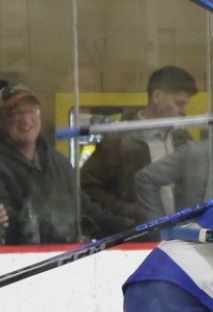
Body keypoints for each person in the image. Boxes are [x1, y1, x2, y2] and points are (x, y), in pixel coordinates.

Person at [82, 65, 197, 227]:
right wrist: (128, 213)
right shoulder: (119, 141)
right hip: (139, 236)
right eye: (179, 103)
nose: (184, 111)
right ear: (157, 97)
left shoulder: (182, 139)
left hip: (179, 234)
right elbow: (88, 187)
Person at [0, 85, 83, 245]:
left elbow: (84, 207)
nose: (26, 119)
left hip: (67, 256)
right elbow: (4, 220)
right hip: (22, 261)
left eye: (32, 111)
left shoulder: (59, 162)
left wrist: (127, 226)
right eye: (16, 113)